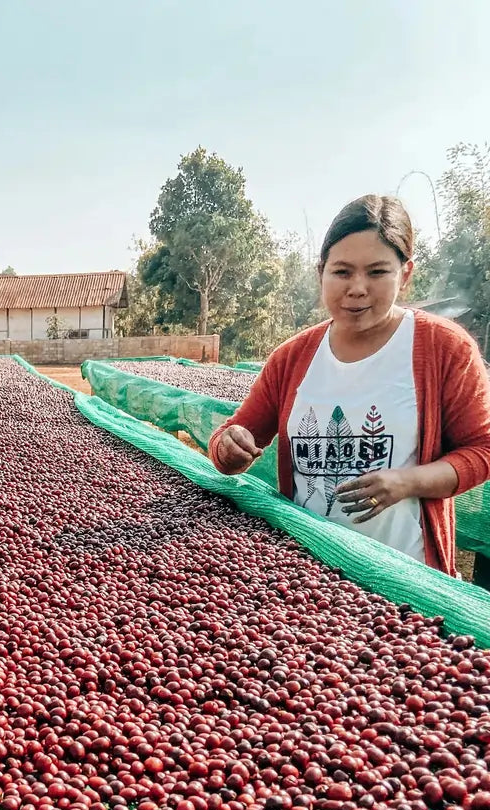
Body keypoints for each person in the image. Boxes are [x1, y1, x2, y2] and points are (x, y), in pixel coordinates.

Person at [210, 194, 490, 576]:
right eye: (342, 272)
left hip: (407, 576)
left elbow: (482, 450)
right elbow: (234, 438)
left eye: (377, 272)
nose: (357, 288)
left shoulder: (443, 348)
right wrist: (229, 448)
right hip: (306, 567)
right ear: (321, 272)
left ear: (405, 274)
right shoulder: (292, 357)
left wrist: (408, 481)